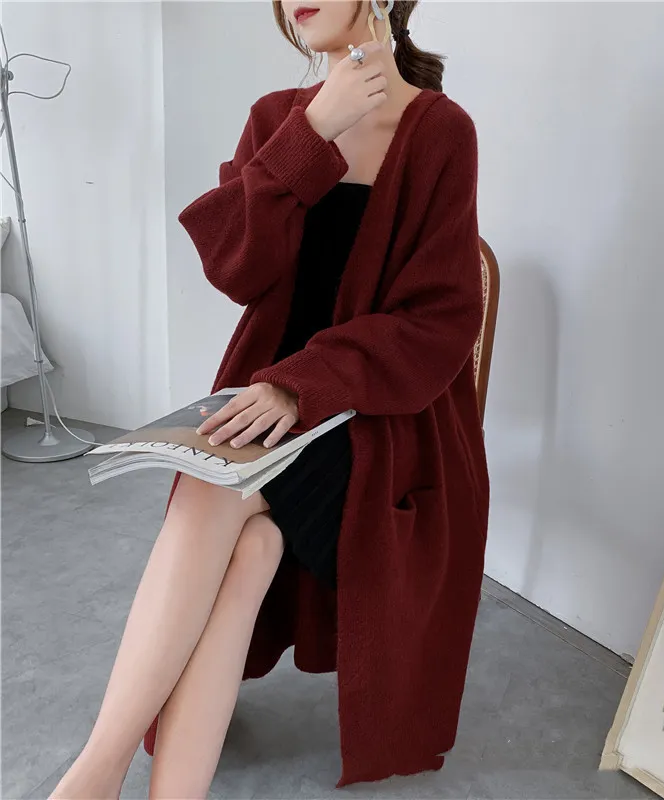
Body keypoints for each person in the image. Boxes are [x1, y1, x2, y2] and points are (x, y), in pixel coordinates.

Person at [52, 0, 489, 796]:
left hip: (380, 428)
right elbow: (236, 267)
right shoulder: (278, 117)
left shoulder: (440, 131)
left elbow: (440, 320)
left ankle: (95, 771)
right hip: (267, 413)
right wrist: (311, 133)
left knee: (219, 487)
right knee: (250, 546)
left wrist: (300, 383)